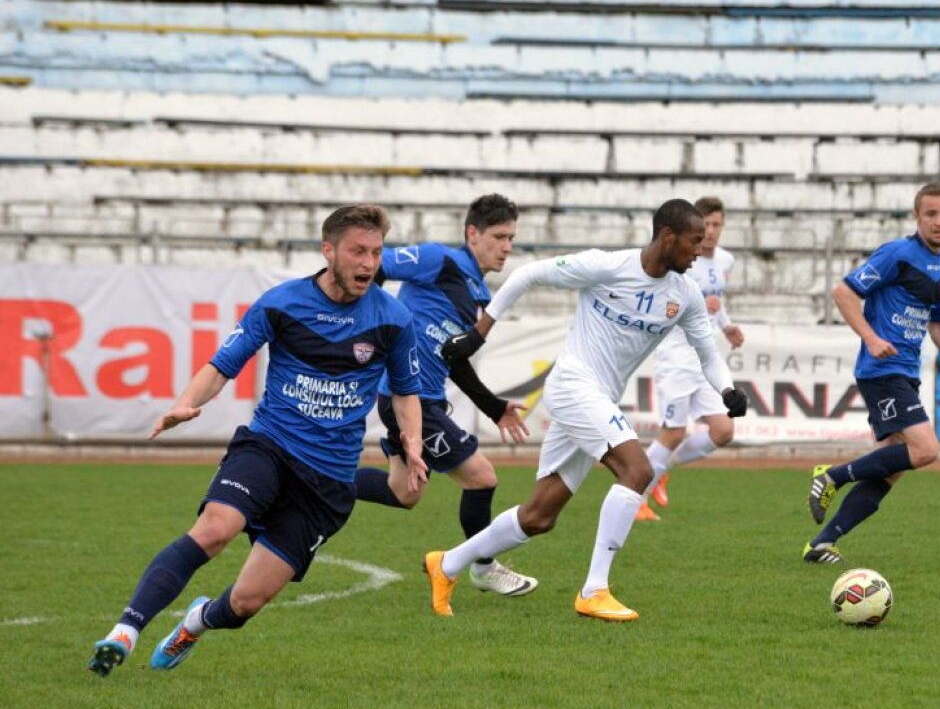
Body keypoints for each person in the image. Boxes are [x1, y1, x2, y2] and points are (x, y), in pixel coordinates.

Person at [87, 204, 427, 676]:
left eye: (375, 252)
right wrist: (185, 402)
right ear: (328, 251)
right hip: (270, 446)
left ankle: (194, 623)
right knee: (214, 529)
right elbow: (223, 363)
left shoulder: (393, 318)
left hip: (327, 480)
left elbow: (408, 393)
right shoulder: (281, 303)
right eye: (358, 251)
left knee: (246, 603)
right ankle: (123, 631)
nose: (369, 263)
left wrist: (412, 442)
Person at [423, 199, 748, 621]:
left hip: (599, 398)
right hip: (574, 385)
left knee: (539, 516)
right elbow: (527, 274)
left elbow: (707, 352)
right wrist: (478, 335)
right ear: (668, 237)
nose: (699, 250)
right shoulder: (607, 267)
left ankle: (446, 564)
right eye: (693, 241)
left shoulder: (684, 294)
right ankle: (594, 590)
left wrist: (727, 389)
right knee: (638, 471)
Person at [354, 193, 538, 597]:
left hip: (426, 399)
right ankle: (483, 567)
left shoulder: (476, 292)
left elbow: (452, 359)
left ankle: (315, 478)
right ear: (473, 233)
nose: (507, 246)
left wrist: (494, 407)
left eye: (511, 238)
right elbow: (376, 266)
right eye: (499, 236)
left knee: (403, 493)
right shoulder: (439, 259)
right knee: (482, 479)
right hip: (409, 398)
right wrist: (371, 323)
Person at [804, 182, 940, 564]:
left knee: (890, 467)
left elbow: (937, 323)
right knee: (926, 449)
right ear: (917, 216)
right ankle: (831, 475)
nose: (938, 221)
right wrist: (871, 336)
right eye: (930, 213)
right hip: (881, 369)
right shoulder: (897, 254)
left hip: (906, 372)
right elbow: (843, 292)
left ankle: (821, 543)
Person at [639, 195, 745, 520]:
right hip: (676, 353)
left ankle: (659, 472)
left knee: (723, 432)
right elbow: (669, 297)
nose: (711, 231)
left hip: (706, 353)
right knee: (673, 433)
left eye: (717, 225)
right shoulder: (682, 257)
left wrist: (726, 327)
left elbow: (717, 302)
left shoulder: (725, 260)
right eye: (706, 224)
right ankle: (636, 497)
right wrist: (702, 300)